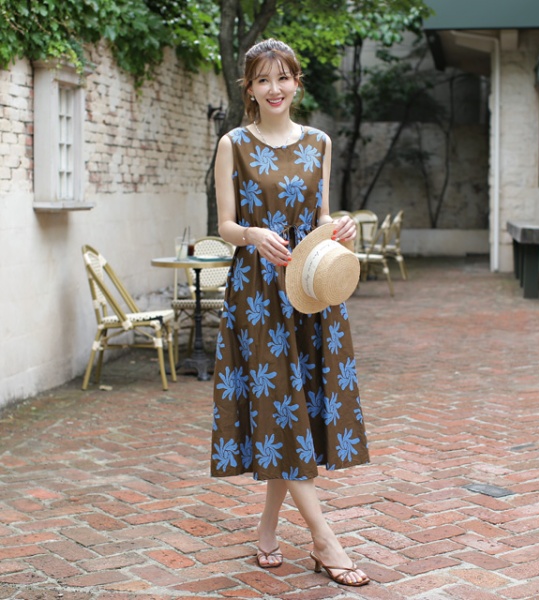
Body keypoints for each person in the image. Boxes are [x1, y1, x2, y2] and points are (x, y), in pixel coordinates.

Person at [210, 38, 370, 587]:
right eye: (263, 79)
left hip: (308, 287)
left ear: (297, 83)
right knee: (280, 406)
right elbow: (225, 225)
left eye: (283, 78)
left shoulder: (319, 142)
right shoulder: (233, 144)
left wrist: (342, 225)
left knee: (292, 411)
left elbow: (321, 215)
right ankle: (325, 541)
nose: (273, 88)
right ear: (249, 89)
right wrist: (252, 234)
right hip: (257, 294)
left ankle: (267, 531)